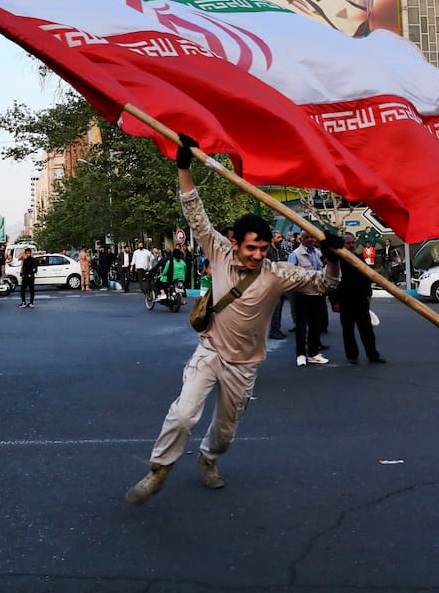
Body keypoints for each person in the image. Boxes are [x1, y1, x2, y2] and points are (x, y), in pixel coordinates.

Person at [126, 135, 341, 506]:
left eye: (262, 248)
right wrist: (183, 167)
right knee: (183, 415)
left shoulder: (278, 273)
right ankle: (158, 470)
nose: (257, 254)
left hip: (245, 365)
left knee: (224, 433)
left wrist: (333, 256)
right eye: (250, 247)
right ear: (234, 242)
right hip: (209, 352)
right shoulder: (219, 253)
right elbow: (195, 212)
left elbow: (325, 283)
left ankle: (208, 460)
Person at [329, 233, 383, 364]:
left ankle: (373, 355)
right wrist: (334, 302)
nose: (351, 245)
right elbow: (331, 282)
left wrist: (368, 295)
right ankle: (352, 356)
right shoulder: (336, 261)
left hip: (361, 301)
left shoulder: (359, 258)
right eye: (348, 243)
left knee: (367, 331)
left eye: (353, 242)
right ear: (343, 244)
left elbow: (367, 277)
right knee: (348, 331)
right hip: (345, 301)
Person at [289, 231, 331, 365]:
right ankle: (300, 354)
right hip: (302, 295)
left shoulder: (318, 253)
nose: (310, 240)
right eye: (306, 237)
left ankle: (313, 353)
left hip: (317, 295)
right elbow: (290, 275)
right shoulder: (295, 254)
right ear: (301, 239)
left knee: (316, 326)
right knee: (301, 327)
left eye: (311, 237)